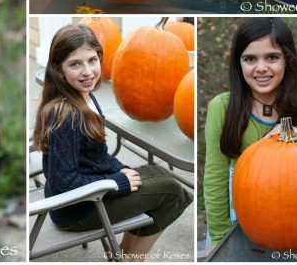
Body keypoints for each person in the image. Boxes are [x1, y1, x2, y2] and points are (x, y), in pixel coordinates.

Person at [32, 24, 193, 262]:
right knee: (173, 194)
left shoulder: (84, 97)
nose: (87, 71)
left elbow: (98, 156)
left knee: (159, 173)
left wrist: (120, 169)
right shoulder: (67, 115)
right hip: (77, 209)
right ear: (58, 70)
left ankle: (122, 252)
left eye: (92, 60)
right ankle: (132, 258)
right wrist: (116, 182)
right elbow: (63, 182)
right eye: (75, 64)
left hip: (90, 195)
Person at [203, 18, 297, 255]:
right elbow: (215, 177)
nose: (261, 67)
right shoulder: (223, 106)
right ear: (238, 64)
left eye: (272, 57)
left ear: (287, 60)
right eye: (250, 59)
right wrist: (219, 236)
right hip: (239, 210)